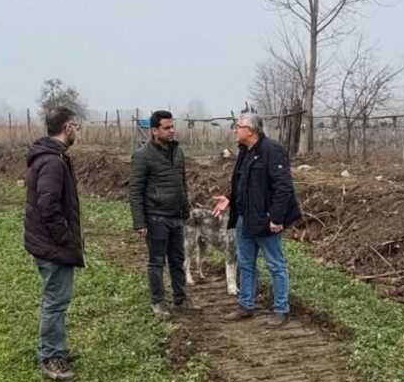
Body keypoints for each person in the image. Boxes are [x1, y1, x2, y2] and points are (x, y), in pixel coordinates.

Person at [213, 112, 301, 327]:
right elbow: (245, 186)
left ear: (250, 130)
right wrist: (230, 199)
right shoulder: (244, 152)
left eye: (238, 126)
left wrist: (277, 217)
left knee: (275, 265)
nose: (235, 130)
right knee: (245, 263)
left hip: (266, 220)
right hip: (245, 218)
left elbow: (283, 188)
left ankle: (281, 309)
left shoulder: (273, 151)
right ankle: (246, 305)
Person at [23, 107, 84, 382]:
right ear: (67, 127)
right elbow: (47, 206)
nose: (78, 132)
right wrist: (65, 238)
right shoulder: (52, 162)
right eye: (77, 126)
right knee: (55, 302)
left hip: (48, 244)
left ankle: (57, 349)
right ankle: (51, 358)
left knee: (56, 300)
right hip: (52, 246)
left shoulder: (52, 158)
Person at [129, 110, 200, 318]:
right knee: (157, 261)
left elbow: (182, 182)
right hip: (156, 217)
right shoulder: (143, 156)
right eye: (166, 128)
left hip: (176, 216)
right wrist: (139, 222)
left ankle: (181, 298)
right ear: (154, 130)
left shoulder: (177, 152)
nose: (171, 131)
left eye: (172, 127)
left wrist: (185, 209)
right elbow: (135, 191)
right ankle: (158, 302)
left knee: (178, 259)